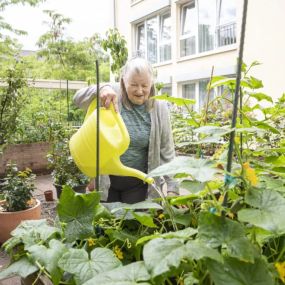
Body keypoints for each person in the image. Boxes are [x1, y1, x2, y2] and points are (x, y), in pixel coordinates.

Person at [74, 57, 179, 203]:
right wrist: (101, 88)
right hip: (106, 181)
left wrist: (173, 186)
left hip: (138, 183)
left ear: (152, 83)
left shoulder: (159, 107)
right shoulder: (111, 94)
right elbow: (77, 98)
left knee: (134, 222)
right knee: (108, 222)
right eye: (134, 84)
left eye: (145, 85)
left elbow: (166, 150)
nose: (140, 90)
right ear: (123, 81)